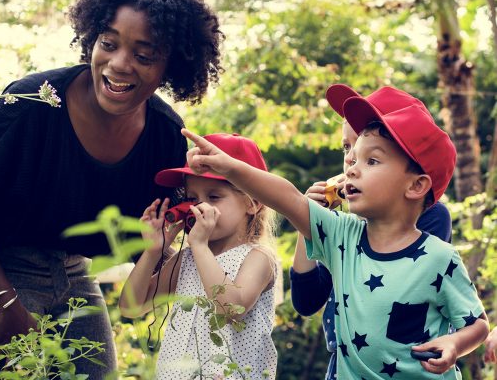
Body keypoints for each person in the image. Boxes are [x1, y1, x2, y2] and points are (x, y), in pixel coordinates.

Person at [0, 0, 223, 378]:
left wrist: (222, 276)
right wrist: (3, 302)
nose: (120, 63)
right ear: (91, 40)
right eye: (109, 43)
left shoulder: (165, 135)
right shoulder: (31, 100)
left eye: (144, 54)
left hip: (69, 270)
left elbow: (146, 240)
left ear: (170, 66)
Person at [181, 85, 490, 379]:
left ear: (416, 185)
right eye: (351, 153)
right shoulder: (342, 234)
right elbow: (288, 198)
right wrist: (231, 168)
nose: (351, 166)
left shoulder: (440, 257)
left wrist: (455, 344)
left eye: (371, 160)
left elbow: (476, 324)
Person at [290, 84, 453, 380]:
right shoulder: (346, 225)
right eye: (346, 147)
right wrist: (309, 223)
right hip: (346, 367)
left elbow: (393, 292)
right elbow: (306, 302)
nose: (351, 159)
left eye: (370, 155)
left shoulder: (431, 218)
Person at [119, 133, 278, 379]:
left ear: (253, 203)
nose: (197, 207)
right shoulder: (188, 258)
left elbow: (231, 309)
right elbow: (131, 306)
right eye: (192, 198)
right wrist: (153, 251)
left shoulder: (258, 258)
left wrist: (201, 247)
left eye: (214, 197)